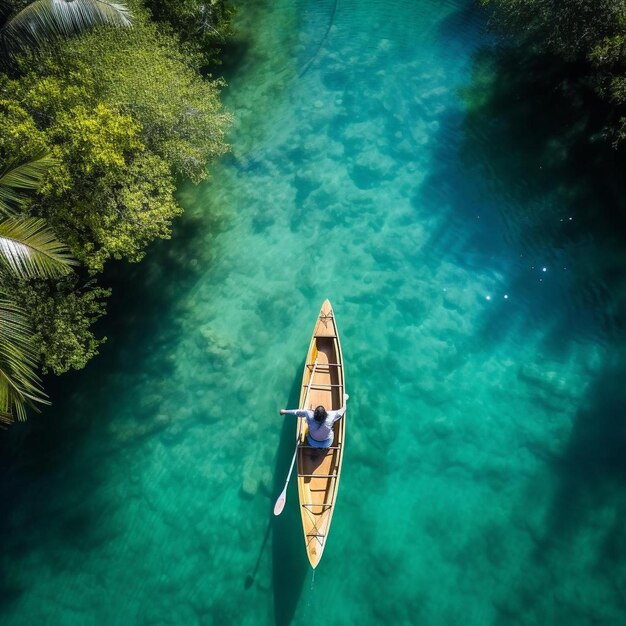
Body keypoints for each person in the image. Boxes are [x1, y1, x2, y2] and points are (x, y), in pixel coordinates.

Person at [279, 394, 349, 448]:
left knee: (307, 423)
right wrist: (344, 399)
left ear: (314, 413)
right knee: (332, 426)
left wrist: (285, 411)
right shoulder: (331, 415)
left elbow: (297, 412)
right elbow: (343, 410)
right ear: (325, 413)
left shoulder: (309, 414)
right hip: (327, 444)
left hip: (312, 443)